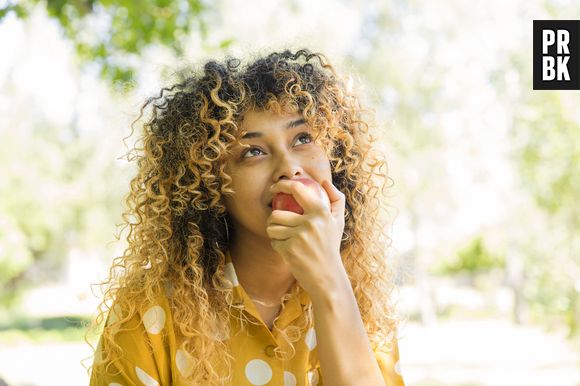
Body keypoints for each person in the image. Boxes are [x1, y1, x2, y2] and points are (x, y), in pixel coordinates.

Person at [86, 48, 405, 385]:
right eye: (253, 151)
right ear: (211, 184)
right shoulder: (149, 312)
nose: (289, 167)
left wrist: (329, 284)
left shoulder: (360, 303)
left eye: (303, 138)